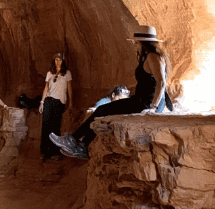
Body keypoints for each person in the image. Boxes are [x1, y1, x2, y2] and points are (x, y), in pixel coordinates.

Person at [51, 25, 169, 159]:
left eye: (136, 43)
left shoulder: (153, 57)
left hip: (145, 103)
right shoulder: (146, 56)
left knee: (102, 110)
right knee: (102, 111)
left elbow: (161, 83)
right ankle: (80, 144)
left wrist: (153, 108)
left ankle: (75, 141)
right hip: (141, 100)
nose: (135, 45)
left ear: (143, 43)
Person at [39, 53, 73, 160]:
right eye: (56, 60)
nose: (57, 62)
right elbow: (46, 88)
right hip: (49, 101)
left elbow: (69, 89)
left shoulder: (67, 73)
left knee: (55, 127)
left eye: (60, 60)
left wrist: (71, 103)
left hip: (59, 103)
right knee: (45, 127)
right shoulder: (50, 73)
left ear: (63, 61)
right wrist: (42, 102)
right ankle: (44, 152)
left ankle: (55, 152)